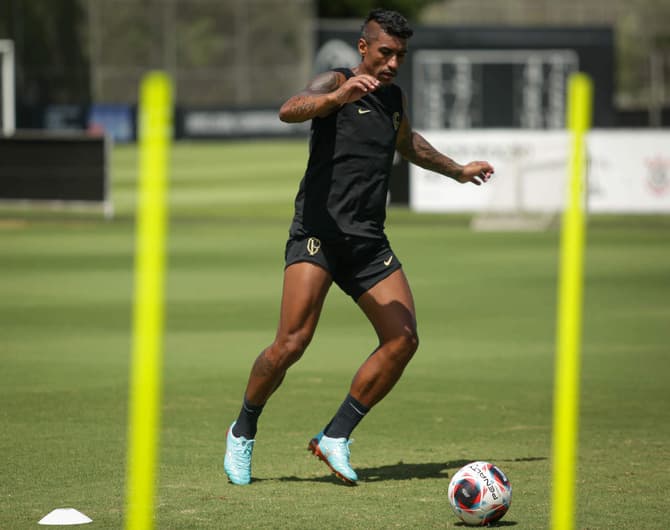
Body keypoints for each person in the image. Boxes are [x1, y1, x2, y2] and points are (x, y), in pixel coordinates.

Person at [224, 8, 494, 486]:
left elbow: (410, 146)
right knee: (291, 343)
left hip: (368, 242)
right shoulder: (337, 79)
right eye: (385, 53)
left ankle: (336, 436)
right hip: (318, 234)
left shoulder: (393, 99)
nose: (392, 63)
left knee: (403, 339)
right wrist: (337, 97)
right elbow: (290, 109)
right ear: (364, 47)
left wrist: (458, 170)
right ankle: (244, 429)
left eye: (400, 56)